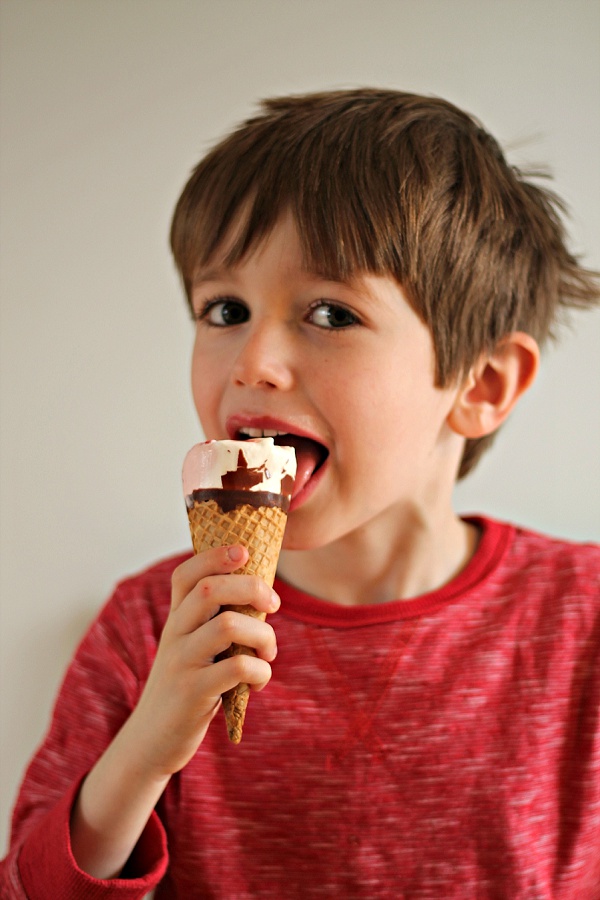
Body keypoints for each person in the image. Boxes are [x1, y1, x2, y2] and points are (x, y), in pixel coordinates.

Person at [1, 88, 599, 899]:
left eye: (328, 311)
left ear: (482, 383)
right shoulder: (150, 628)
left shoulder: (582, 621)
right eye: (225, 308)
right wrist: (144, 751)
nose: (252, 360)